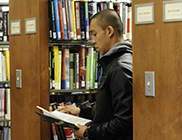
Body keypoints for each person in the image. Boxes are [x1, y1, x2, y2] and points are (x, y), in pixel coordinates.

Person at [57, 9, 133, 140]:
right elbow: (109, 109)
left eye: (94, 34)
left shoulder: (119, 68)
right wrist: (81, 111)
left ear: (109, 31)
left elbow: (123, 122)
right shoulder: (116, 62)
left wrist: (88, 133)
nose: (93, 41)